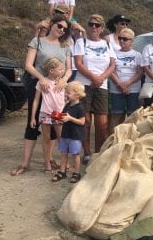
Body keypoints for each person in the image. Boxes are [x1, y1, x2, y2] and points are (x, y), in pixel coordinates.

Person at [11, 15, 72, 176]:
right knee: (33, 122)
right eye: (59, 26)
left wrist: (64, 80)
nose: (61, 30)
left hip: (57, 88)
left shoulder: (65, 45)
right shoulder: (37, 41)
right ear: (51, 24)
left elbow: (69, 69)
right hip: (39, 85)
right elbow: (28, 65)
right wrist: (42, 78)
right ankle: (25, 163)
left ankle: (49, 159)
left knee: (54, 123)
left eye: (65, 29)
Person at [74, 14, 116, 164]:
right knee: (85, 121)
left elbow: (112, 65)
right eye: (91, 24)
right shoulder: (81, 42)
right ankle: (86, 152)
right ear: (88, 26)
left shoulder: (107, 44)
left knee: (102, 123)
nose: (94, 27)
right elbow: (78, 63)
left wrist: (101, 78)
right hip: (84, 84)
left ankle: (98, 153)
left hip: (101, 85)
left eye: (97, 25)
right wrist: (93, 77)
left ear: (102, 28)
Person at [29, 58, 66, 174]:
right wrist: (32, 117)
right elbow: (36, 100)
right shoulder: (42, 82)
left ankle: (64, 164)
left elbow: (68, 97)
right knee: (46, 138)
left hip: (59, 113)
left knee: (61, 139)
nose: (62, 71)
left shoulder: (63, 82)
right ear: (51, 70)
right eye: (60, 69)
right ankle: (47, 164)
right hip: (45, 113)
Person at [52, 81, 86, 183]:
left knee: (75, 154)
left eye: (68, 93)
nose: (66, 95)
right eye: (66, 93)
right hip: (65, 134)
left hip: (75, 135)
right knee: (64, 153)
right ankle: (62, 172)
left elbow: (82, 122)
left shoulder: (80, 107)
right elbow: (64, 116)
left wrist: (70, 118)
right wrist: (58, 117)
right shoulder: (67, 105)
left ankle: (76, 173)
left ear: (77, 94)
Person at [109, 28, 142, 129]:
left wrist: (127, 83)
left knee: (133, 116)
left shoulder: (137, 55)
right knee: (116, 116)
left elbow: (140, 72)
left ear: (131, 41)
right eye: (120, 38)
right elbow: (111, 70)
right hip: (116, 89)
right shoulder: (113, 53)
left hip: (133, 89)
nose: (122, 41)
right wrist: (120, 84)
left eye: (125, 39)